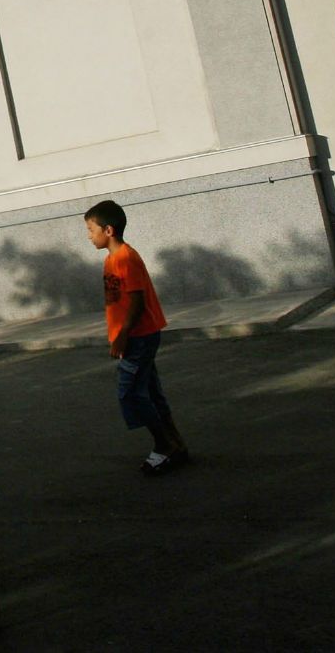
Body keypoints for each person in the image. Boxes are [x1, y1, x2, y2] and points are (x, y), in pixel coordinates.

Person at [84, 200, 191, 475]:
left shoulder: (126, 258)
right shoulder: (111, 260)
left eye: (91, 230)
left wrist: (122, 336)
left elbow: (137, 302)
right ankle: (176, 443)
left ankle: (164, 445)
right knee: (150, 393)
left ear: (108, 230)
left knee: (130, 393)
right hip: (135, 336)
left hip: (138, 336)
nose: (89, 236)